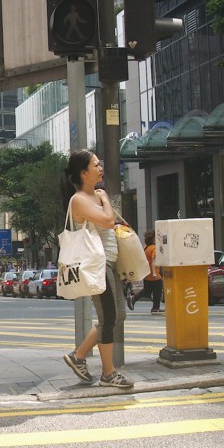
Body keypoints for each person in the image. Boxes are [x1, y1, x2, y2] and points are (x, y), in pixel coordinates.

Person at [61, 149, 132, 388]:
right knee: (109, 316)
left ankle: (78, 356)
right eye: (95, 165)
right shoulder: (79, 199)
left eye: (100, 164)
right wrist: (104, 200)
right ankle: (109, 373)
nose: (100, 168)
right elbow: (108, 221)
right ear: (83, 172)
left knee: (117, 315)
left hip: (109, 263)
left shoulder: (93, 196)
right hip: (96, 266)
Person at [133, 229, 163, 314]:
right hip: (154, 274)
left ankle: (134, 298)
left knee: (147, 290)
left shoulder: (146, 248)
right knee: (158, 290)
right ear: (153, 239)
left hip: (147, 273)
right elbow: (154, 260)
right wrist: (154, 273)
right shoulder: (154, 248)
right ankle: (155, 308)